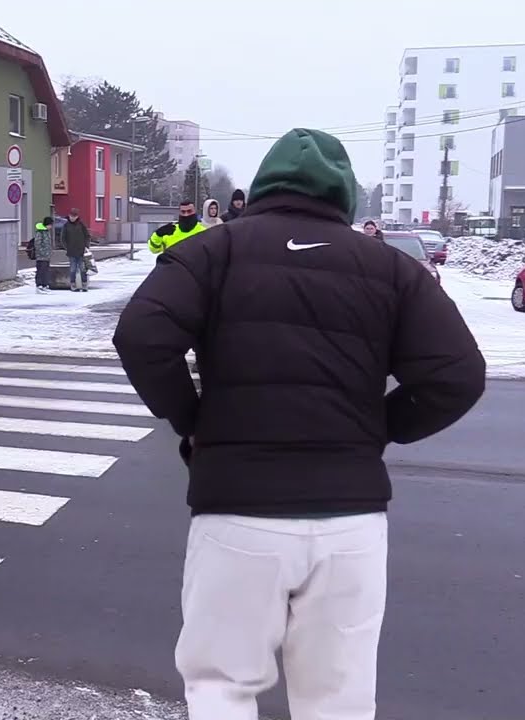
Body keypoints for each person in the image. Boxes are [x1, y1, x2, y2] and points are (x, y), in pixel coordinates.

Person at [112, 128, 486, 720]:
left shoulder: (213, 251)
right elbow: (458, 375)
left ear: (263, 186)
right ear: (344, 195)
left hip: (237, 508)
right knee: (338, 699)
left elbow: (141, 335)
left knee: (222, 686)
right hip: (351, 519)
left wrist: (194, 421)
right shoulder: (391, 269)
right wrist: (377, 428)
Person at [63, 208, 91, 292]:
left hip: (81, 251)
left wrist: (86, 246)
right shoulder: (66, 225)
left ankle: (84, 284)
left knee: (83, 268)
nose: (72, 218)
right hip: (71, 251)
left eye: (74, 216)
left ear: (77, 216)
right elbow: (63, 238)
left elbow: (87, 235)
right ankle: (73, 284)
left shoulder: (81, 224)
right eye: (71, 216)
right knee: (73, 269)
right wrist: (66, 247)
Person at [33, 217, 53, 293]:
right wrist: (43, 253)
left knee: (46, 271)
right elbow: (37, 244)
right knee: (40, 270)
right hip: (41, 256)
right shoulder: (40, 232)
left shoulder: (46, 232)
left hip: (46, 256)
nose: (51, 227)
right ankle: (39, 285)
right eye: (50, 225)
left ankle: (45, 284)